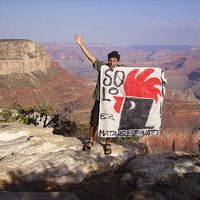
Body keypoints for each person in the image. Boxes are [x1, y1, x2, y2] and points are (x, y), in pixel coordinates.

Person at [75, 34, 121, 155]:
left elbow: (136, 74)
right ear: (108, 60)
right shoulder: (103, 67)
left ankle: (107, 143)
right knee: (93, 121)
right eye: (110, 60)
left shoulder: (121, 70)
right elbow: (91, 57)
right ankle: (91, 141)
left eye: (114, 61)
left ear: (118, 62)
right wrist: (81, 45)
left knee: (109, 122)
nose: (112, 63)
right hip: (100, 99)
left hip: (112, 101)